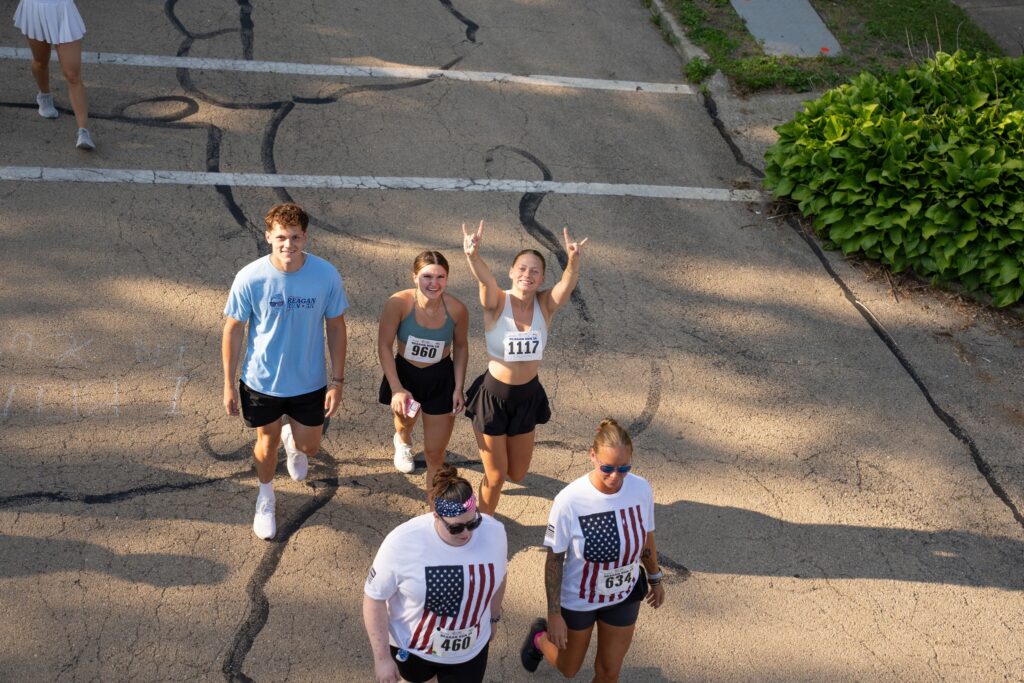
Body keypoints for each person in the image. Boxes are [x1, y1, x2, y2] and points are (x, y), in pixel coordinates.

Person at [222, 203, 348, 540]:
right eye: (281, 237)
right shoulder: (250, 277)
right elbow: (233, 329)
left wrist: (337, 381)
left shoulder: (325, 275)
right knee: (267, 442)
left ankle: (294, 441)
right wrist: (228, 384)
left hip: (309, 383)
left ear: (305, 237)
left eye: (294, 237)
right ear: (268, 237)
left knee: (310, 448)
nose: (287, 244)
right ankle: (266, 496)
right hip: (261, 382)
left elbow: (336, 326)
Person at [520, 419, 666, 682]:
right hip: (580, 597)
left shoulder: (640, 489)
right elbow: (554, 560)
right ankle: (539, 638)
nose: (615, 476)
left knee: (609, 673)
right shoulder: (569, 500)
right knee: (569, 668)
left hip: (624, 593)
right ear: (592, 456)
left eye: (624, 468)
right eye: (607, 468)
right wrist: (554, 614)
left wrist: (655, 578)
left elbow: (646, 539)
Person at [462, 220, 587, 514]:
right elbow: (485, 281)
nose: (527, 275)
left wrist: (573, 262)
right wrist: (472, 255)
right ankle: (481, 524)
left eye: (534, 271)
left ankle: (497, 472)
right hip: (493, 397)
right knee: (496, 477)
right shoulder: (496, 301)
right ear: (511, 272)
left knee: (516, 473)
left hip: (528, 397)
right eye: (522, 268)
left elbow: (566, 286)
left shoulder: (545, 305)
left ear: (542, 278)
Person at [363, 464, 508, 683]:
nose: (467, 533)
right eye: (456, 528)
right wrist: (382, 659)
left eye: (473, 523)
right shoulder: (402, 543)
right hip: (414, 649)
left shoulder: (494, 532)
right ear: (437, 516)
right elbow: (374, 598)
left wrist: (493, 618)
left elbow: (500, 576)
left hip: (470, 652)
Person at [377, 251, 469, 484]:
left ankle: (434, 503)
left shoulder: (457, 310)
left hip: (440, 379)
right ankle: (403, 441)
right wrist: (396, 388)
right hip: (405, 375)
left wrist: (458, 387)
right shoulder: (399, 303)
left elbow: (461, 347)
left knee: (435, 454)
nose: (434, 283)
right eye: (427, 276)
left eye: (440, 277)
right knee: (406, 423)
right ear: (415, 277)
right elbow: (384, 346)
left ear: (447, 279)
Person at [13, 0, 95, 149]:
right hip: (35, 9)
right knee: (40, 62)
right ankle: (44, 96)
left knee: (73, 75)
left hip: (63, 9)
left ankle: (83, 132)